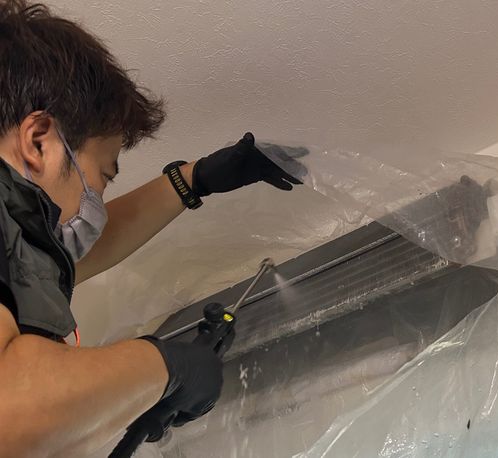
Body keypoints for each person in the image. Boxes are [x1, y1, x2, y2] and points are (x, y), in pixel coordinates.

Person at [0, 1, 304, 456]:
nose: (96, 201)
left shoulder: (19, 242)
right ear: (39, 141)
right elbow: (10, 409)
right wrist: (166, 367)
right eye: (102, 176)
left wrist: (192, 181)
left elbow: (58, 264)